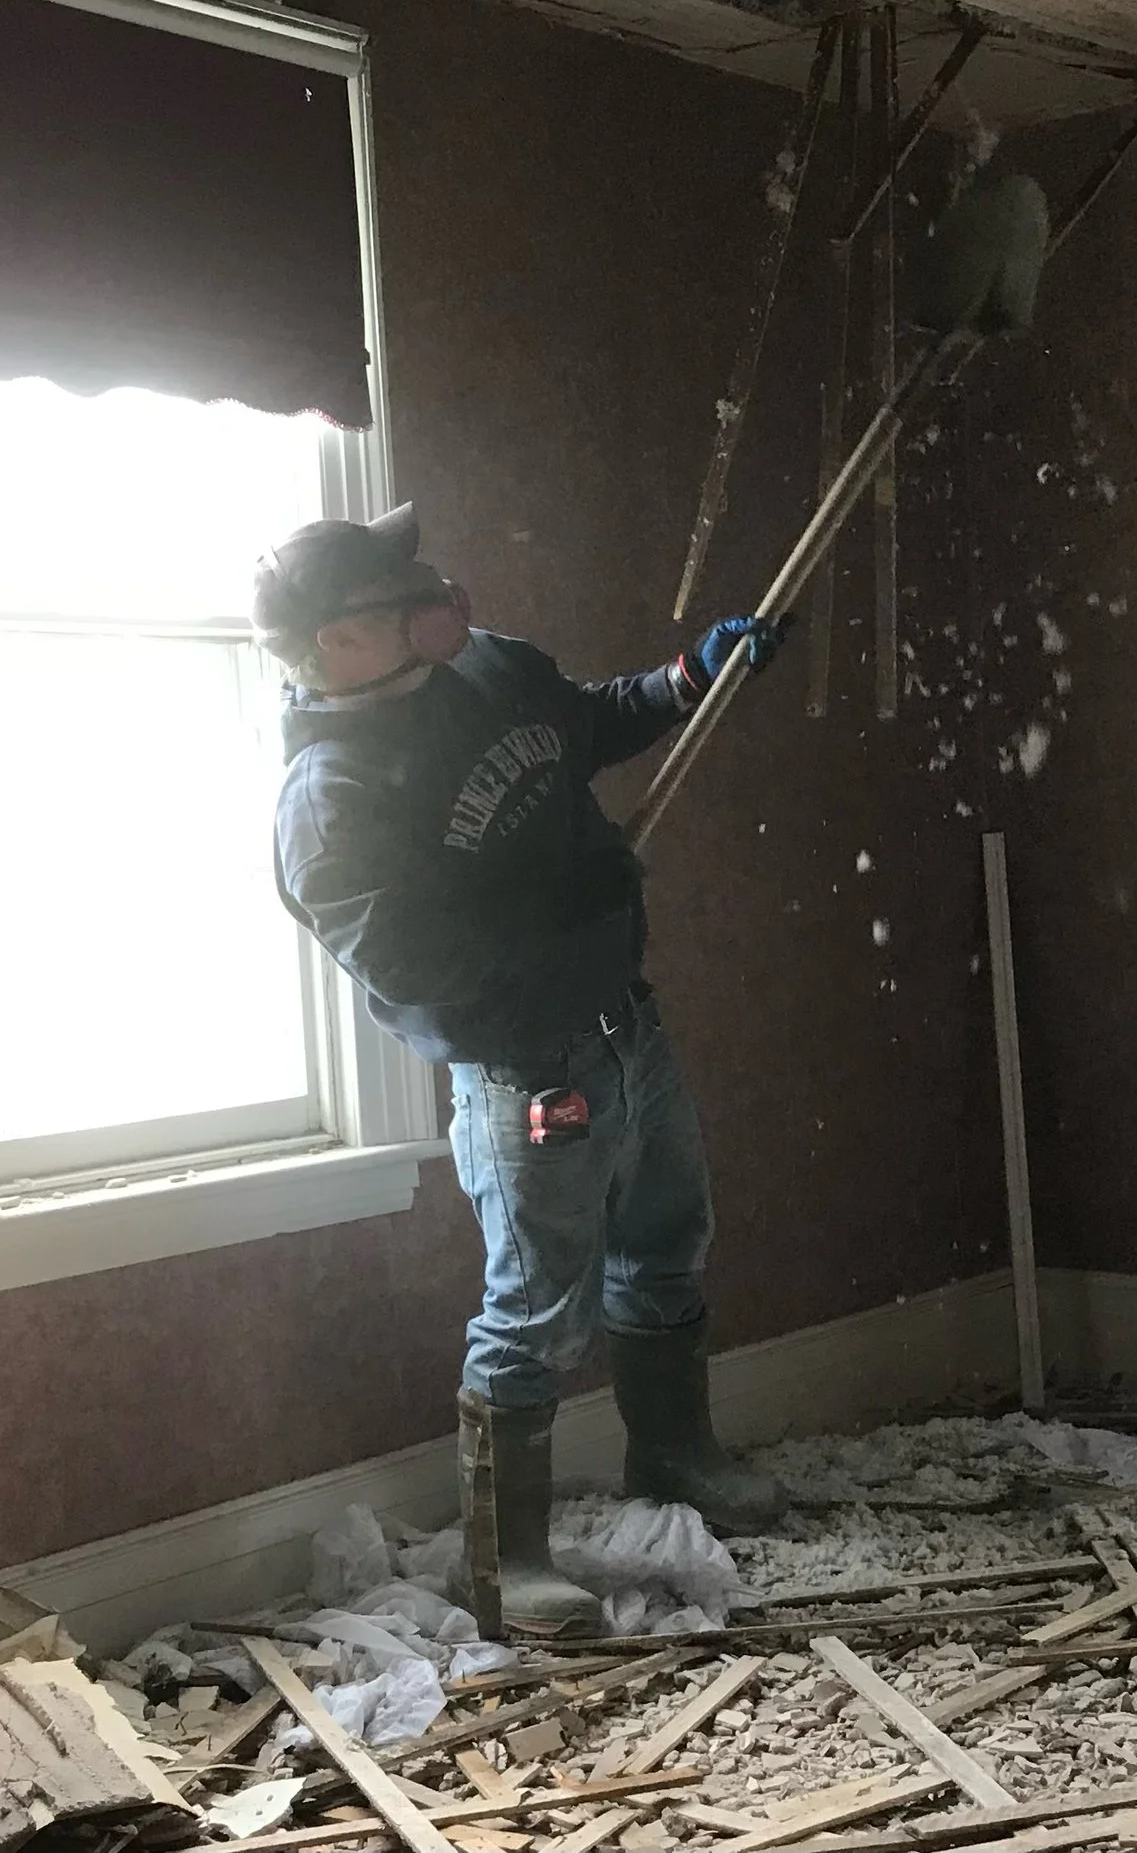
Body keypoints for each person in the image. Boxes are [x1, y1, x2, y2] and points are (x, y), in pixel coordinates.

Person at [259, 502, 790, 1638]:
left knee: (667, 1239)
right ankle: (508, 1563)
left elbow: (585, 723)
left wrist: (688, 678)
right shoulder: (331, 802)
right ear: (331, 644)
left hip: (626, 1025)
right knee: (536, 1305)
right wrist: (552, 912)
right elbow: (416, 963)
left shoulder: (488, 670)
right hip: (524, 1071)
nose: (433, 598)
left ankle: (675, 1458)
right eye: (392, 597)